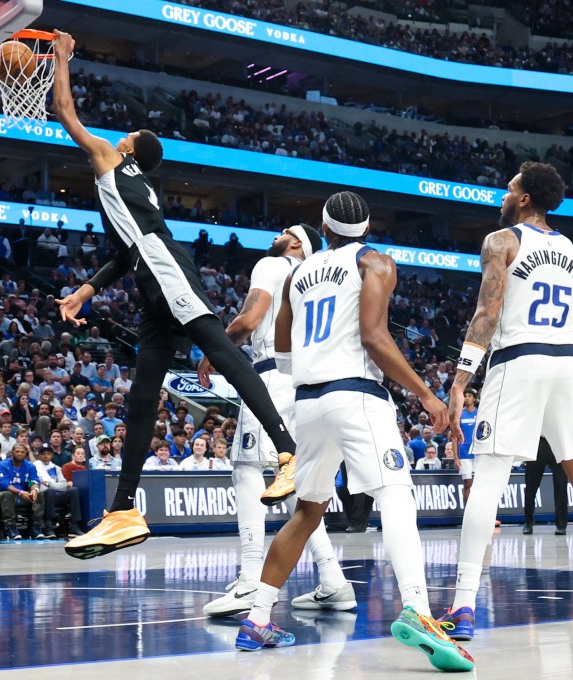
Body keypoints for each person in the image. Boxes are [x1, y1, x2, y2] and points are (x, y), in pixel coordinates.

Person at [51, 30, 297, 560]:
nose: (117, 134)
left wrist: (62, 56)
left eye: (126, 133)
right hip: (147, 278)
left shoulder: (111, 161)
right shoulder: (132, 184)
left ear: (129, 148)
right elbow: (122, 253)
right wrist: (83, 292)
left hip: (164, 270)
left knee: (226, 356)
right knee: (142, 395)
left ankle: (287, 452)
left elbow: (64, 110)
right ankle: (121, 511)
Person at [236, 191, 473, 672]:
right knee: (397, 494)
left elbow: (282, 349)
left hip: (307, 401)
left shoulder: (297, 274)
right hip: (356, 394)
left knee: (306, 511)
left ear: (323, 230)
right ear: (366, 229)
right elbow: (373, 336)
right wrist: (425, 394)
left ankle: (256, 619)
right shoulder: (376, 262)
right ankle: (420, 612)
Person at [440, 162, 573, 642]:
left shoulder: (502, 241)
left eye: (510, 187)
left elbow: (487, 312)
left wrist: (460, 380)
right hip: (567, 365)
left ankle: (463, 607)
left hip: (519, 361)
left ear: (525, 198)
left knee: (488, 477)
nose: (504, 194)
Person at [198, 224, 353, 618]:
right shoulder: (320, 274)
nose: (276, 234)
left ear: (298, 243)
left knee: (248, 468)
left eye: (285, 230)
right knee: (296, 483)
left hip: (272, 376)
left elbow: (251, 317)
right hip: (310, 381)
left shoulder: (273, 263)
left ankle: (251, 578)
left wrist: (217, 349)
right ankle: (333, 580)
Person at [0, 443, 45, 540]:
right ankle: (11, 528)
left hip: (22, 495)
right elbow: (4, 484)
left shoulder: (30, 466)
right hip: (2, 495)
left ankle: (35, 527)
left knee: (39, 494)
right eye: (17, 451)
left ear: (26, 453)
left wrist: (34, 490)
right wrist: (20, 492)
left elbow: (34, 480)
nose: (19, 454)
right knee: (6, 494)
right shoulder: (2, 465)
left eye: (22, 452)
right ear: (12, 453)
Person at [522, 438, 567, 535]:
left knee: (561, 485)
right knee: (530, 486)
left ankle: (561, 524)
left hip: (557, 443)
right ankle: (528, 522)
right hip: (538, 442)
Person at [456, 389, 478, 504]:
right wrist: (455, 457)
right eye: (465, 396)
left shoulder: (480, 413)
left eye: (469, 396)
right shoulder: (459, 414)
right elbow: (454, 437)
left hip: (478, 453)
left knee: (479, 485)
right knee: (467, 483)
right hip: (464, 453)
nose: (467, 398)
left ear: (474, 398)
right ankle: (467, 514)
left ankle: (480, 513)